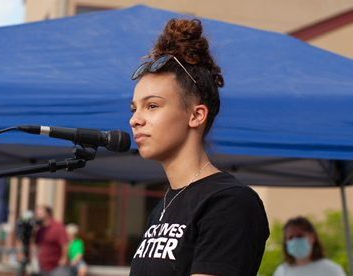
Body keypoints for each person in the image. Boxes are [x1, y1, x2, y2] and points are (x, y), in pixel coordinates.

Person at [129, 18, 269, 276]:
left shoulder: (229, 202)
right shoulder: (164, 206)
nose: (135, 119)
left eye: (152, 106)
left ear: (196, 115)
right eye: (134, 108)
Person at [273, 216, 346, 276]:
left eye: (299, 236)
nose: (295, 241)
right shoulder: (282, 271)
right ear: (286, 242)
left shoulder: (332, 270)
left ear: (313, 237)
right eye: (290, 237)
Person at [34, 205, 70, 276]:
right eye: (37, 213)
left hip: (57, 267)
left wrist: (64, 258)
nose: (38, 215)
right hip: (43, 266)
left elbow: (65, 244)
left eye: (40, 213)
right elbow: (37, 246)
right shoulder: (40, 230)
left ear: (48, 214)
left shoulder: (58, 227)